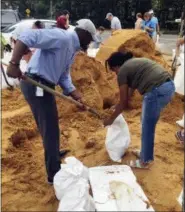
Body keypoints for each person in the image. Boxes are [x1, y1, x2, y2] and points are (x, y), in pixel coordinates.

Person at [6, 19, 98, 184]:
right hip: (36, 84)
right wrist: (14, 62)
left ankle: (53, 154)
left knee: (50, 126)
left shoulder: (71, 50)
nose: (90, 43)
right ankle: (53, 174)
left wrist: (76, 94)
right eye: (90, 39)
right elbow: (27, 36)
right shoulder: (62, 37)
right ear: (83, 34)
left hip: (44, 85)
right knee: (50, 128)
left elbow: (63, 76)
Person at [104, 51, 175, 169]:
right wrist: (117, 106)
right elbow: (129, 93)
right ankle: (144, 153)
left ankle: (145, 161)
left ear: (116, 66)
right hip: (167, 87)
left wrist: (110, 119)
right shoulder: (133, 64)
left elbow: (124, 102)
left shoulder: (123, 71)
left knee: (147, 126)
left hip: (156, 90)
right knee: (145, 122)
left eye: (113, 70)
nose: (115, 74)